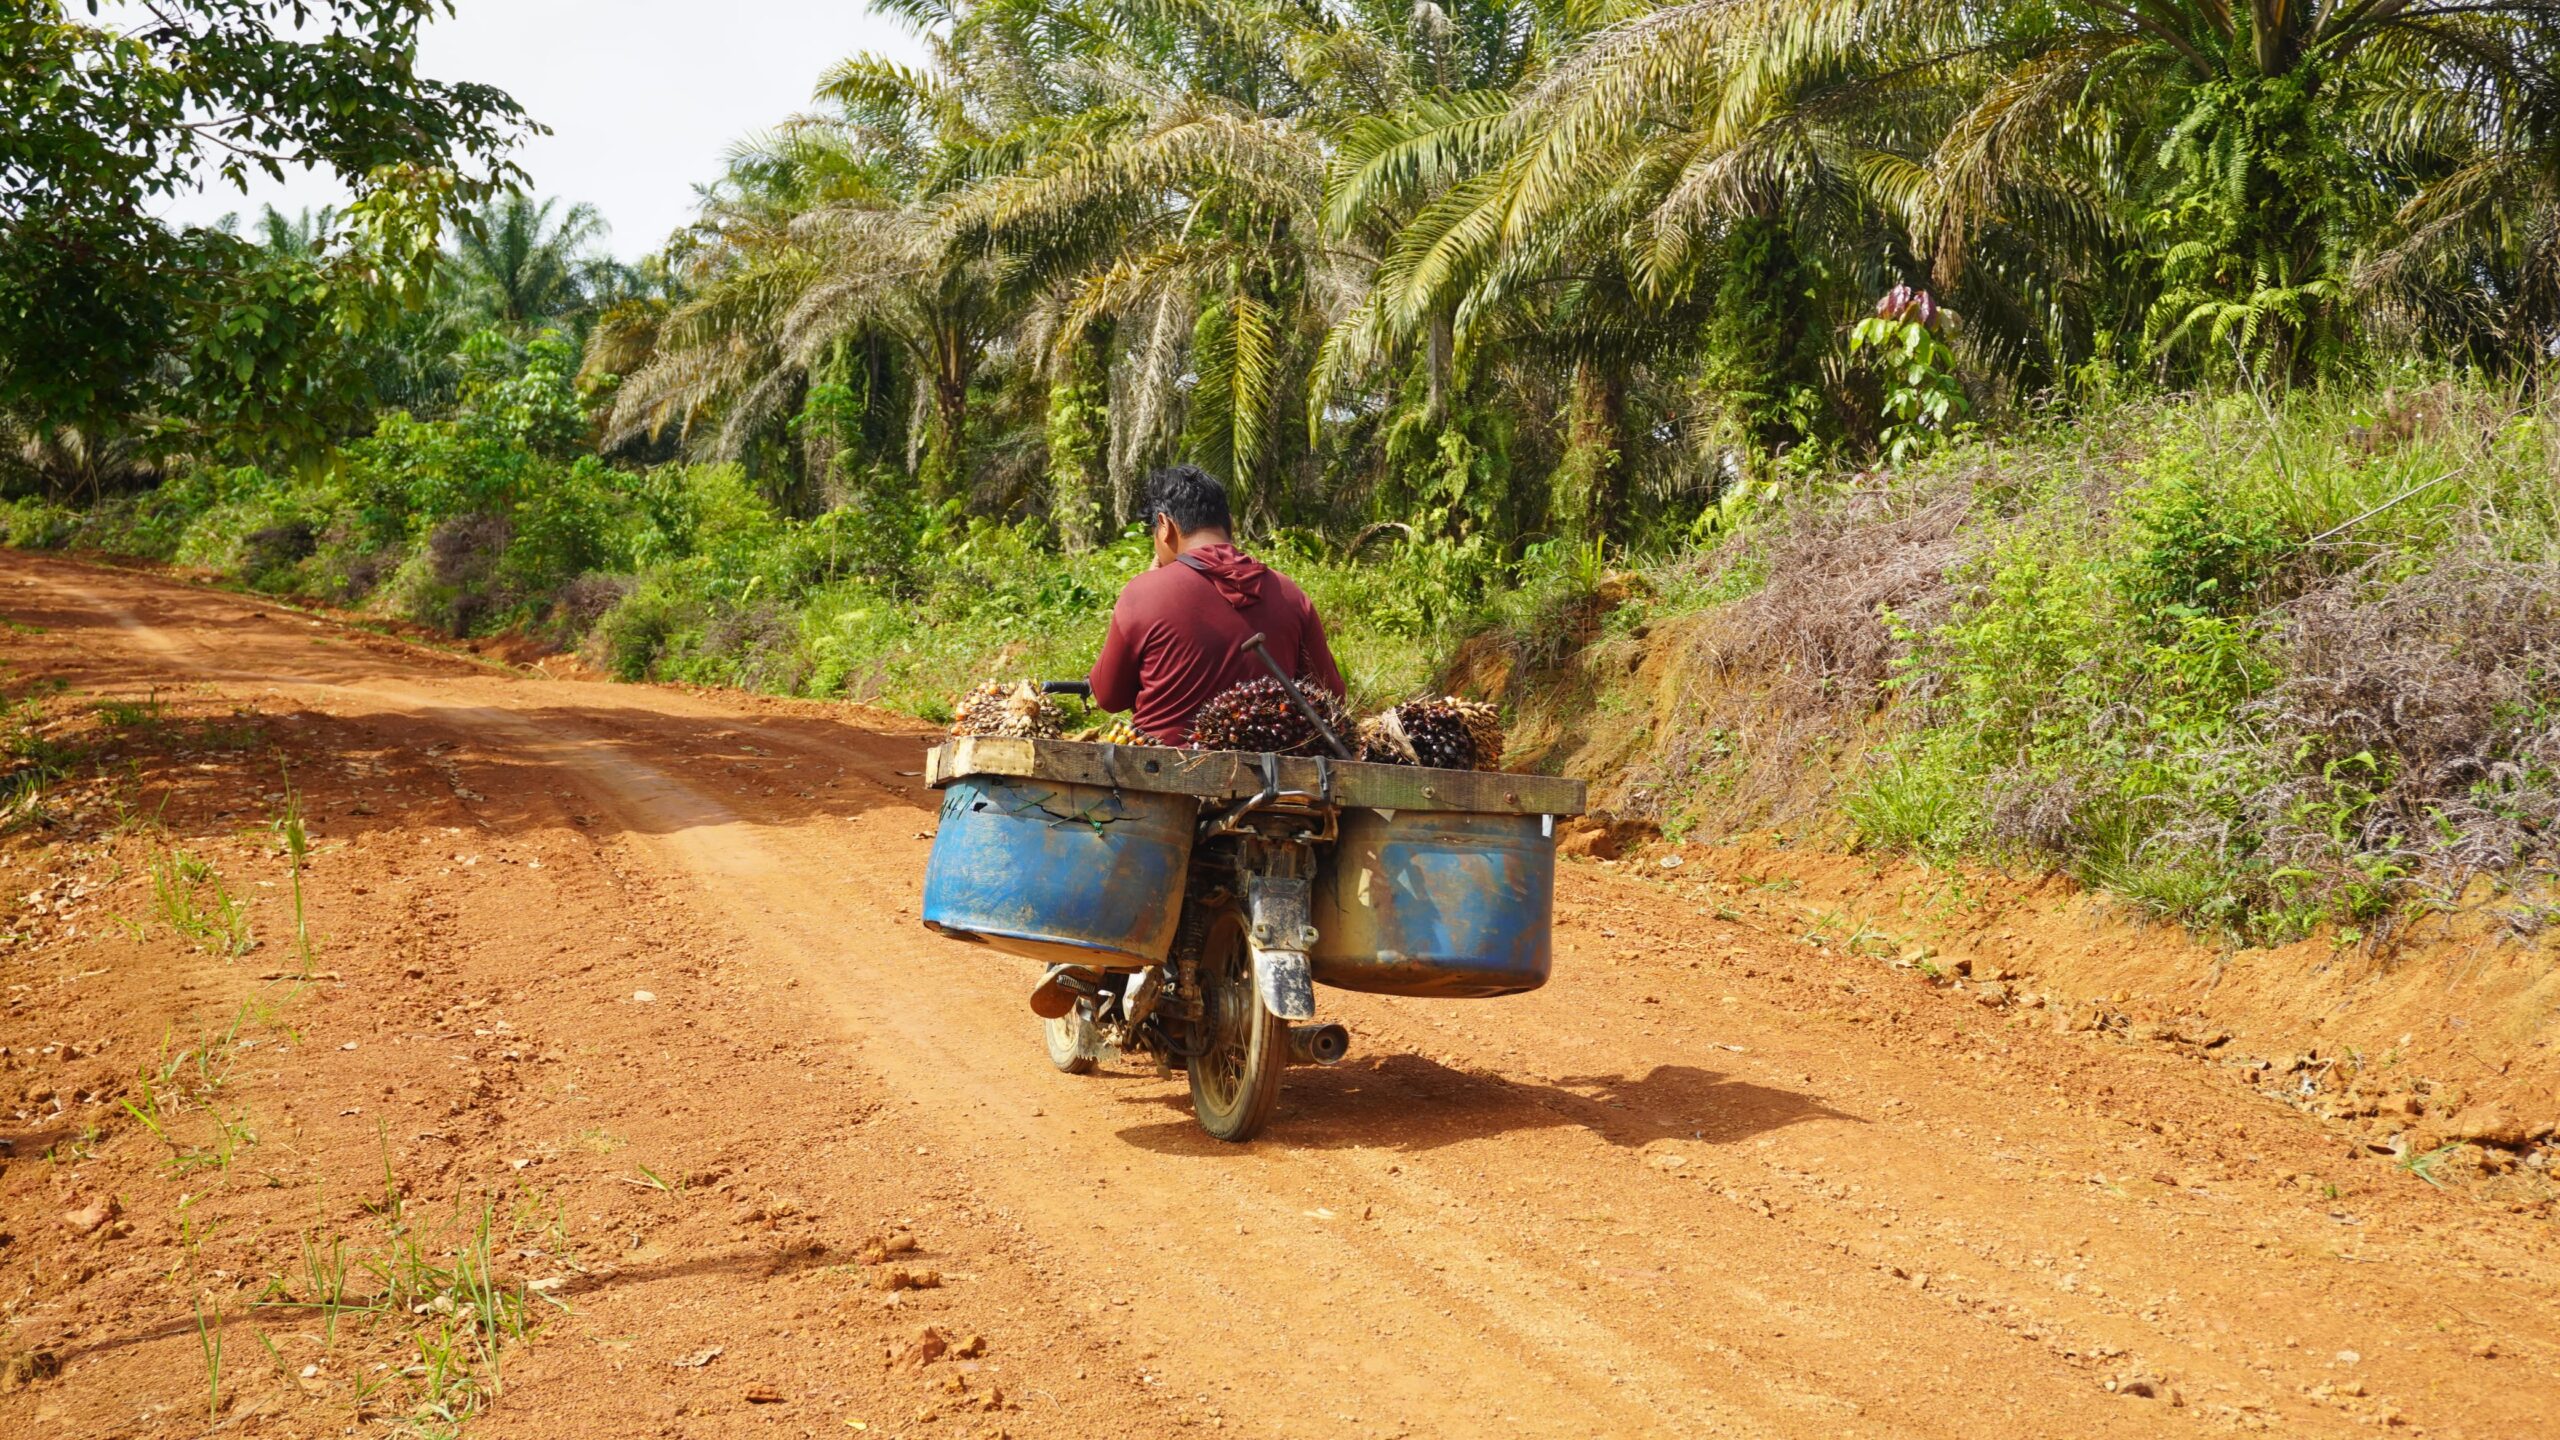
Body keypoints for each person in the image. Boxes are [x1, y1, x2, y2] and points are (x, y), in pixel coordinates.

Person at [1088, 464, 1344, 744]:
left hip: (1162, 778)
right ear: (1230, 524)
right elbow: (1332, 696)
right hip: (1272, 775)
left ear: (1164, 526)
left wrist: (1145, 588)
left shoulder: (1144, 592)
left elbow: (1108, 697)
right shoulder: (1289, 593)